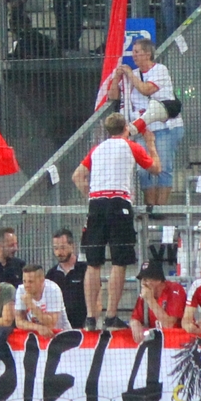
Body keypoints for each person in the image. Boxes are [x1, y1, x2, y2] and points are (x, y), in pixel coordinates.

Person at [71, 112, 156, 330]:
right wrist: (150, 143)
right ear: (126, 128)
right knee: (119, 262)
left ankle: (91, 317)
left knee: (93, 263)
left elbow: (77, 176)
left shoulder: (96, 149)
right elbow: (156, 168)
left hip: (96, 204)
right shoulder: (131, 146)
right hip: (119, 203)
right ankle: (110, 315)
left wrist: (90, 194)